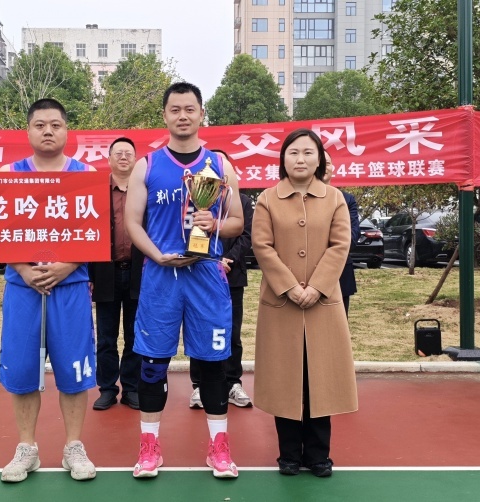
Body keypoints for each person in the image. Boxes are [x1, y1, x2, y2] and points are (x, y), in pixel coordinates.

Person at [124, 82, 244, 479]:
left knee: (213, 365)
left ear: (201, 113)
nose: (182, 116)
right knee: (152, 365)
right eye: (175, 109)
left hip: (205, 275)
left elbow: (238, 222)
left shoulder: (220, 166)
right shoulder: (147, 165)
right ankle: (149, 446)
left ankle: (219, 447)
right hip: (161, 276)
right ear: (164, 115)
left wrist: (216, 223)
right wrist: (156, 254)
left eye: (190, 109)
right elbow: (132, 223)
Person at [0, 98, 97, 483]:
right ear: (28, 131)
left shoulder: (86, 175)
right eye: (40, 125)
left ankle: (74, 446)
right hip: (22, 287)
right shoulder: (8, 174)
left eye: (55, 124)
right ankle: (27, 448)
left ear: (67, 130)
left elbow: (95, 231)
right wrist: (24, 269)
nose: (48, 131)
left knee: (74, 367)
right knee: (23, 368)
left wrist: (67, 265)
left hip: (70, 286)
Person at [251, 128, 357, 477]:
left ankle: (318, 455)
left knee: (320, 378)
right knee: (286, 379)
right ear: (283, 159)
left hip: (322, 303)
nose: (301, 159)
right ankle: (289, 455)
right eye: (294, 152)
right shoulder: (267, 199)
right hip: (281, 303)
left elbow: (340, 245)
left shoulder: (334, 198)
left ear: (319, 159)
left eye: (309, 153)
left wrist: (317, 287)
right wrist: (289, 287)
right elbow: (262, 246)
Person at [189, 169, 254, 409]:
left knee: (232, 332)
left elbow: (247, 236)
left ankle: (233, 382)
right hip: (200, 275)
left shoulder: (243, 202)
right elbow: (187, 233)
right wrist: (211, 262)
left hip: (232, 275)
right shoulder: (192, 200)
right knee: (199, 329)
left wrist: (228, 260)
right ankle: (198, 385)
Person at [89, 137, 144, 411]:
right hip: (105, 273)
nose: (123, 157)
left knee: (135, 336)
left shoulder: (144, 191)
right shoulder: (95, 192)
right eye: (118, 153)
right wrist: (89, 274)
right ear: (109, 159)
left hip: (138, 272)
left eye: (128, 153)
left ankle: (131, 388)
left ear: (136, 159)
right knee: (106, 338)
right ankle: (107, 389)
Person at [323, 151, 360, 318]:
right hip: (304, 279)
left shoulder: (347, 200)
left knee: (338, 327)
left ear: (333, 167)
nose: (323, 167)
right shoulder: (297, 199)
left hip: (340, 274)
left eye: (327, 163)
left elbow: (352, 237)